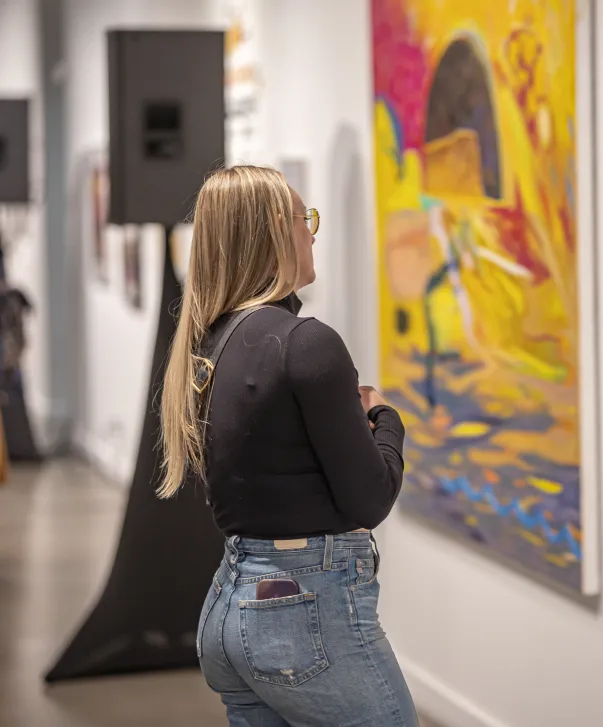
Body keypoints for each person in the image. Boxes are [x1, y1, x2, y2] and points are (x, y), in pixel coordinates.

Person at [157, 165, 418, 727]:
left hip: (230, 605)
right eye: (307, 219)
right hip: (303, 616)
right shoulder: (306, 344)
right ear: (279, 228)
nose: (313, 233)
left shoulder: (212, 343)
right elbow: (371, 499)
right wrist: (384, 415)